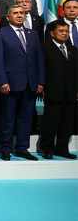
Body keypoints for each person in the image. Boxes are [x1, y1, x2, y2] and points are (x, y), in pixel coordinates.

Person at [0, 4, 44, 161]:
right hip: (10, 83)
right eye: (15, 13)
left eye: (22, 13)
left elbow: (39, 59)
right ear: (8, 17)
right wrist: (2, 81)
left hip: (30, 84)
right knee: (7, 118)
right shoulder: (0, 34)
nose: (19, 15)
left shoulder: (33, 34)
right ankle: (5, 148)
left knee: (26, 118)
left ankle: (22, 148)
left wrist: (40, 81)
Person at [39, 20, 76, 159]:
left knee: (67, 123)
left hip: (70, 92)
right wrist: (41, 86)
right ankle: (47, 148)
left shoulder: (73, 49)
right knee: (50, 122)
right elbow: (41, 68)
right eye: (61, 31)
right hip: (52, 91)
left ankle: (62, 148)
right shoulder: (44, 47)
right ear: (52, 33)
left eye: (66, 31)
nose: (64, 33)